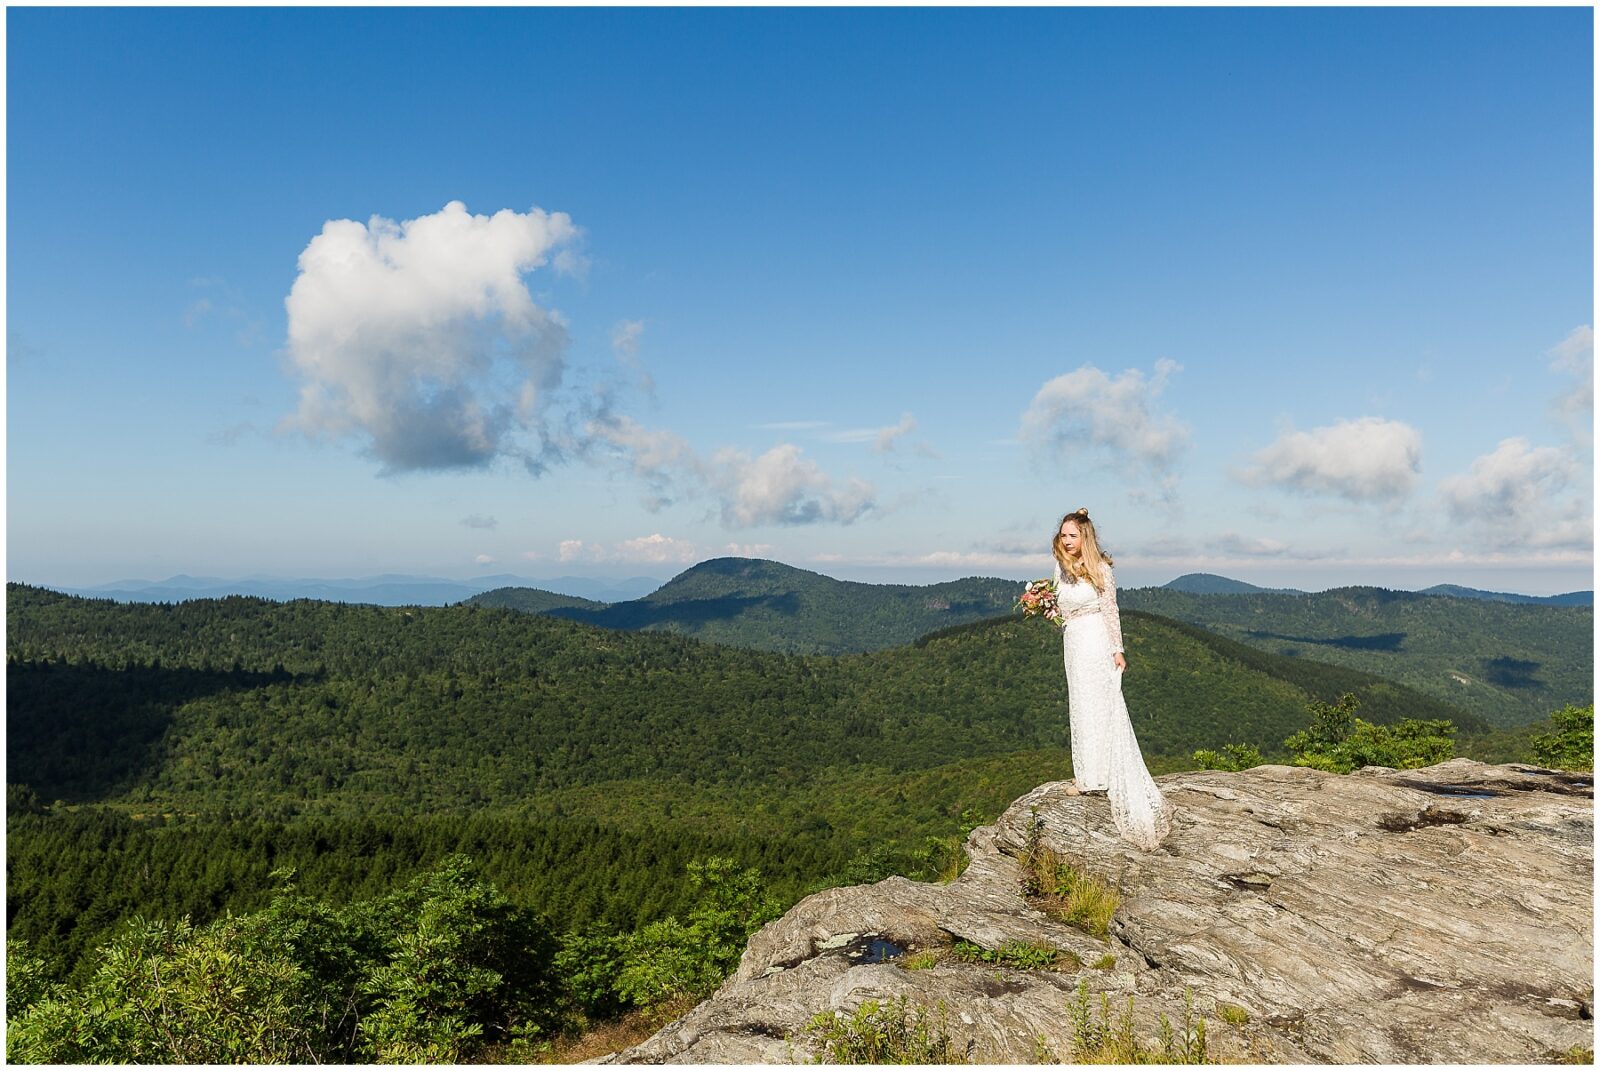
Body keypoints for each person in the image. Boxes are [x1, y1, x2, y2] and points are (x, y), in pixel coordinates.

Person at [1052, 507, 1174, 850]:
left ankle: (1102, 775)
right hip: (1072, 641)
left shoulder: (1102, 568)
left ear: (1085, 537)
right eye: (1063, 535)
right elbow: (1062, 606)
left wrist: (1117, 649)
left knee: (1100, 705)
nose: (1066, 540)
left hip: (1095, 640)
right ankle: (1087, 774)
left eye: (1072, 535)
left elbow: (1110, 609)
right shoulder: (1060, 569)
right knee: (1081, 705)